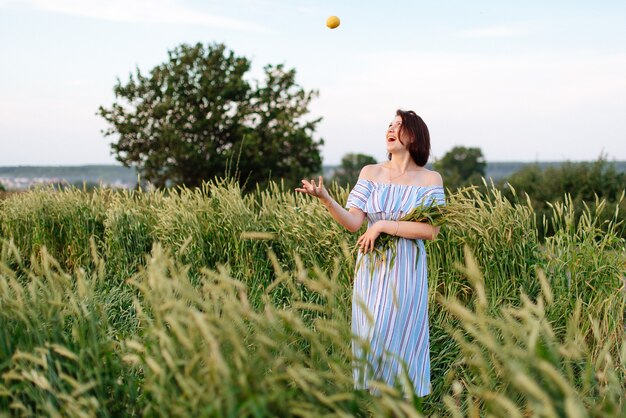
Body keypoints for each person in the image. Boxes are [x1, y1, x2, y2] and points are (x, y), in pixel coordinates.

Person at [295, 109, 445, 397]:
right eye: (389, 125)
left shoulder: (430, 179)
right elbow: (353, 223)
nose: (390, 129)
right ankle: (373, 404)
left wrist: (383, 226)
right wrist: (327, 200)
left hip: (406, 268)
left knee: (397, 335)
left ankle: (399, 403)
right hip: (373, 266)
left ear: (413, 135)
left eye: (399, 125)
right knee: (372, 334)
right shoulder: (370, 172)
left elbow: (430, 231)